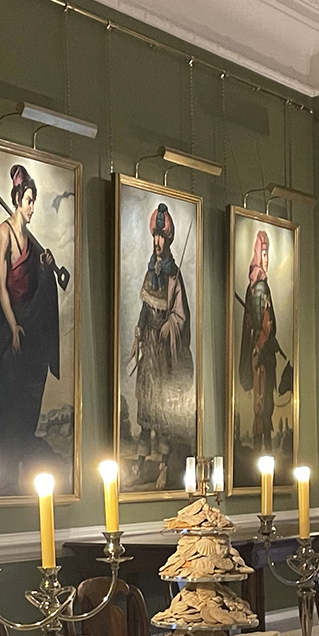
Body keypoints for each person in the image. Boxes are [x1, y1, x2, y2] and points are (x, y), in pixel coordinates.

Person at [0, 164, 61, 484]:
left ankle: (22, 458)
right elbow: (1, 285)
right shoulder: (5, 231)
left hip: (29, 325)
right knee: (10, 396)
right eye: (29, 200)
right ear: (18, 200)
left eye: (34, 201)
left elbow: (34, 281)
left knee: (29, 393)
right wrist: (13, 325)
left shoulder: (30, 240)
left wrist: (44, 268)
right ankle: (6, 467)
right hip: (10, 326)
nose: (32, 208)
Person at [128, 202, 191, 485]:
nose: (156, 242)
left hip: (164, 353)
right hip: (148, 350)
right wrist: (139, 330)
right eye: (154, 236)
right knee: (145, 412)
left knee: (162, 414)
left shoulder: (173, 276)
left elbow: (181, 314)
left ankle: (164, 467)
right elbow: (145, 308)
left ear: (168, 239)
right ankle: (139, 467)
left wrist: (171, 324)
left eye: (161, 237)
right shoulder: (150, 271)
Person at [237, 228, 278, 449]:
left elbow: (268, 323)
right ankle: (263, 445)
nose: (266, 259)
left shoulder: (256, 287)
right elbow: (264, 324)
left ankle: (262, 445)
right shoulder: (259, 287)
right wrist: (261, 345)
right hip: (260, 353)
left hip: (261, 351)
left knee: (263, 398)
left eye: (267, 254)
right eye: (263, 254)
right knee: (262, 398)